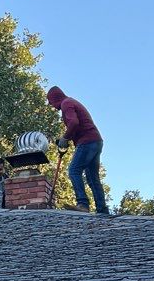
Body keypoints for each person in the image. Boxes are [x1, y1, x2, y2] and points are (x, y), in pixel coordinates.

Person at [46, 86, 109, 214]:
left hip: (87, 142)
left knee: (74, 170)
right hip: (96, 141)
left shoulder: (66, 103)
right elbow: (76, 125)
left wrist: (65, 138)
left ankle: (83, 204)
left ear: (55, 98)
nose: (51, 105)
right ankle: (102, 210)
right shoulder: (71, 102)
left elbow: (74, 123)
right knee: (92, 178)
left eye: (50, 102)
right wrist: (67, 139)